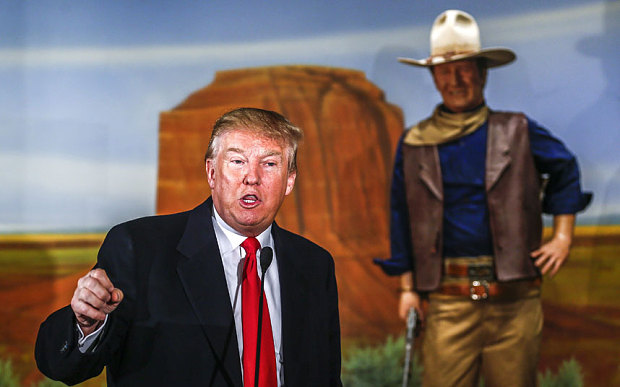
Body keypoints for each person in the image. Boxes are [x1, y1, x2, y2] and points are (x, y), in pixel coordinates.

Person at [35, 108, 342, 386]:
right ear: (211, 172)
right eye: (237, 161)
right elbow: (63, 367)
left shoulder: (314, 265)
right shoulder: (139, 248)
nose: (252, 178)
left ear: (289, 180)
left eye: (270, 164)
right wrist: (85, 326)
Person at [374, 10, 591, 387]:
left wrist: (563, 236)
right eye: (445, 70)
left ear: (482, 72)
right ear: (434, 77)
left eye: (464, 68)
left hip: (516, 303)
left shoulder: (517, 130)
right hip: (448, 302)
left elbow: (565, 168)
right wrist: (408, 289)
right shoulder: (414, 144)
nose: (455, 80)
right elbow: (401, 215)